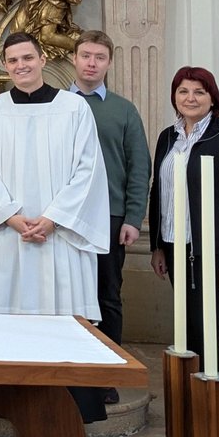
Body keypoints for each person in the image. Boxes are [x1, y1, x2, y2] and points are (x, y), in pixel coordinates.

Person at [0, 32, 109, 423]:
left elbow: (88, 170)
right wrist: (13, 217)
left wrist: (52, 218)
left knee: (64, 318)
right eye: (13, 60)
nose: (21, 66)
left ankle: (74, 408)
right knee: (12, 321)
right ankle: (12, 405)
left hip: (60, 236)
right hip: (10, 236)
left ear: (43, 58)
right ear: (5, 65)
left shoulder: (74, 109)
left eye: (27, 58)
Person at [149, 66, 219, 373]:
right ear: (174, 96)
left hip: (213, 250)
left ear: (213, 98)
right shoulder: (167, 137)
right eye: (183, 91)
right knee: (188, 326)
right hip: (175, 246)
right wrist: (157, 246)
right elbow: (159, 192)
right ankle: (198, 394)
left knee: (210, 325)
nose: (190, 98)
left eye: (199, 92)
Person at [69, 30, 151, 404]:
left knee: (107, 295)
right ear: (73, 58)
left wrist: (133, 217)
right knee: (69, 293)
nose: (91, 63)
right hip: (66, 216)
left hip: (110, 215)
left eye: (99, 57)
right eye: (86, 55)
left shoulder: (123, 110)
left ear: (109, 63)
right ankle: (69, 370)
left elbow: (139, 167)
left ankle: (106, 375)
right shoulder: (58, 104)